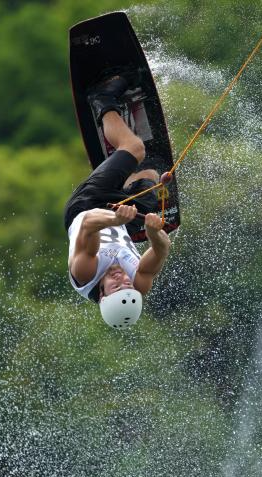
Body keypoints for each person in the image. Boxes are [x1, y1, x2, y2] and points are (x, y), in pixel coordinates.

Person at [63, 74, 171, 329]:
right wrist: (154, 234)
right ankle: (124, 173)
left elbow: (89, 225)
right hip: (125, 223)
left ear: (102, 295)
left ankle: (102, 99)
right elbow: (162, 250)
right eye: (127, 284)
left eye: (115, 286)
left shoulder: (85, 272)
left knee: (135, 148)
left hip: (88, 205)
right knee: (150, 175)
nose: (122, 279)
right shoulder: (138, 285)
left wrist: (115, 218)